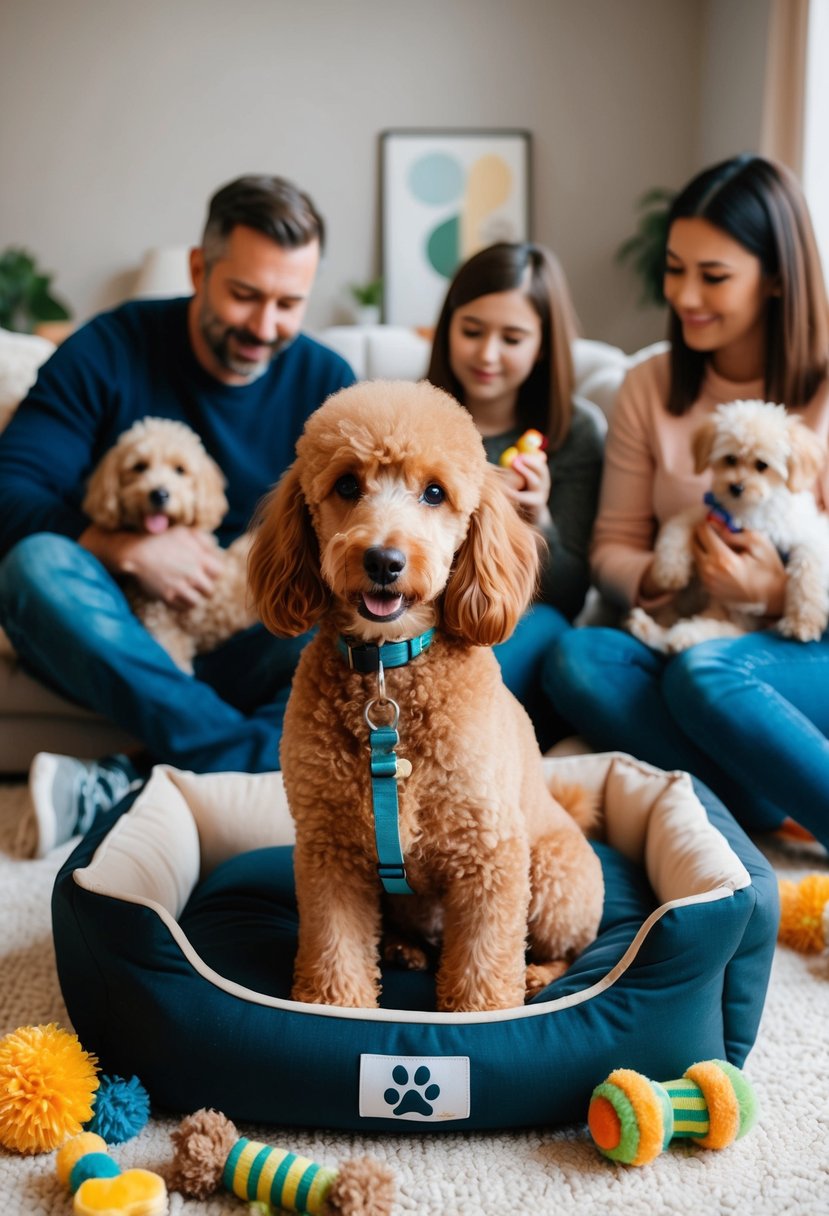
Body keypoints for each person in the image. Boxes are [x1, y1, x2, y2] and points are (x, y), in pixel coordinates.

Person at [0, 174, 355, 854]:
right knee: (32, 566)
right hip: (117, 634)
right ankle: (247, 763)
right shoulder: (108, 349)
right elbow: (10, 488)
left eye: (288, 303)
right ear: (200, 267)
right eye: (245, 295)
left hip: (260, 633)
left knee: (352, 628)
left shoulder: (325, 382)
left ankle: (131, 780)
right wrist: (118, 546)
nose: (264, 326)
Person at [543, 154, 829, 850]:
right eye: (674, 268)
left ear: (775, 281)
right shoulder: (648, 385)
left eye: (712, 276)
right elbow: (611, 544)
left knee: (705, 672)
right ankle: (758, 798)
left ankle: (773, 788)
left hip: (801, 648)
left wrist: (765, 590)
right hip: (684, 627)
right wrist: (665, 576)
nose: (683, 294)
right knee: (576, 658)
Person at [427, 241, 604, 747]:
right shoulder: (418, 418)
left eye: (512, 337)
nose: (487, 354)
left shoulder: (573, 431)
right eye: (472, 331)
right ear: (449, 328)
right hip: (417, 608)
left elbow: (570, 594)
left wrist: (536, 521)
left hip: (520, 619)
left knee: (543, 627)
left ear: (544, 343)